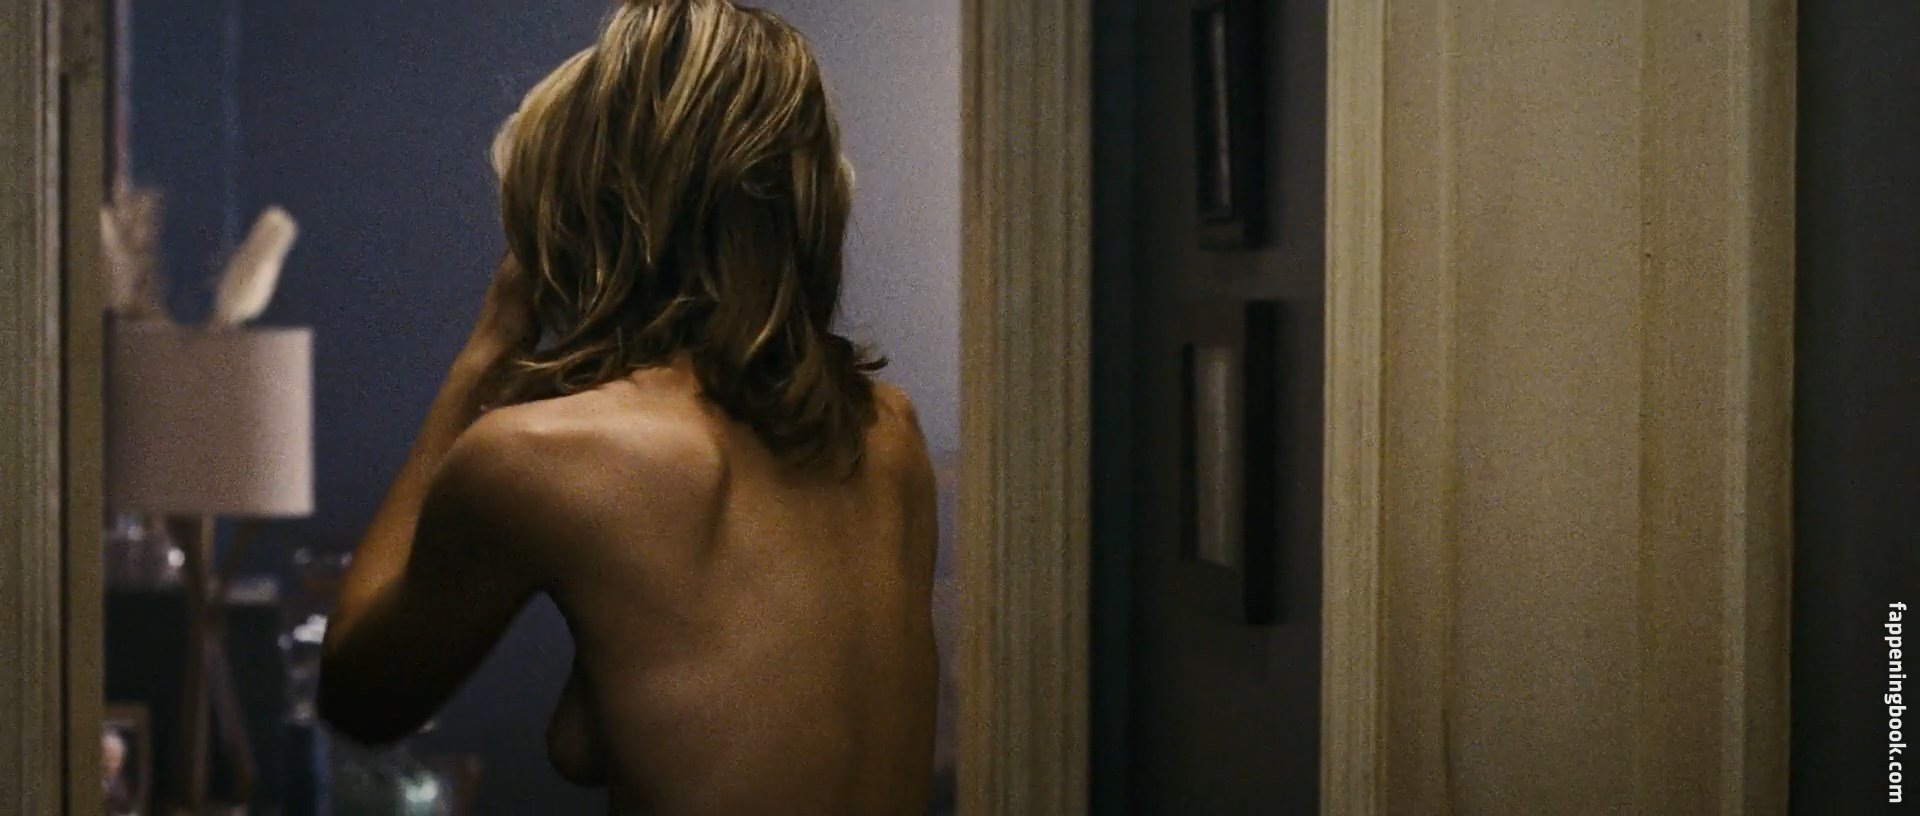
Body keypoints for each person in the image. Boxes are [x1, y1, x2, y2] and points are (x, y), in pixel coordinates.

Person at [316, 2, 940, 813]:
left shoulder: (542, 457)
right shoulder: (890, 437)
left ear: (579, 222)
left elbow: (359, 696)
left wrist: (487, 352)